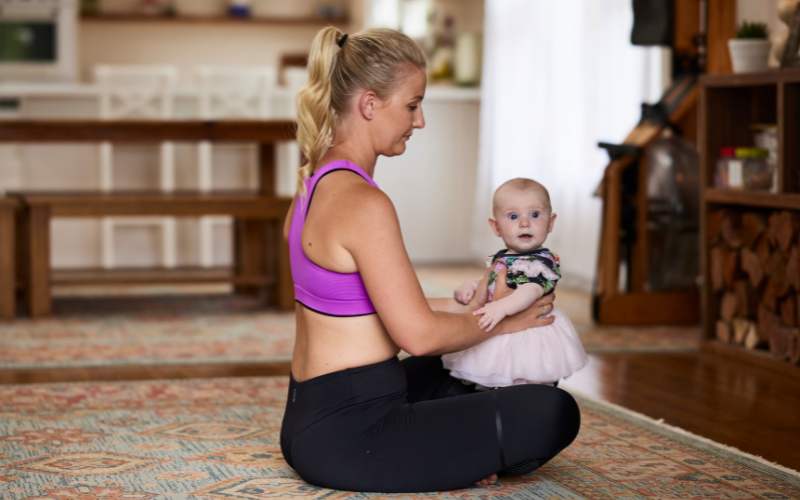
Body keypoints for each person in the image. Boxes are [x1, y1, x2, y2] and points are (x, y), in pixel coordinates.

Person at [279, 26, 580, 493]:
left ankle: (446, 451)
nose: (419, 121)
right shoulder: (363, 203)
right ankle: (448, 455)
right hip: (353, 438)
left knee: (465, 365)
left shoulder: (311, 183)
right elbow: (418, 336)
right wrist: (507, 322)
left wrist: (482, 304)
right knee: (553, 411)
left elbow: (373, 306)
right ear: (370, 104)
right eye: (412, 105)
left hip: (311, 416)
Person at [444, 179, 589, 388]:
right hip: (502, 325)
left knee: (529, 377)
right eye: (513, 216)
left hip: (529, 331)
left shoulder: (539, 261)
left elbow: (531, 289)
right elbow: (495, 279)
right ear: (496, 226)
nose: (524, 223)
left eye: (535, 214)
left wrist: (501, 307)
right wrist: (473, 284)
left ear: (550, 222)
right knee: (494, 372)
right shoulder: (502, 257)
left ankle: (531, 399)